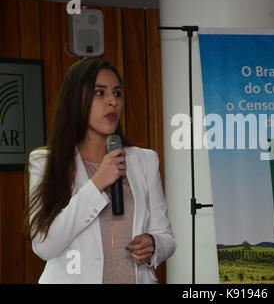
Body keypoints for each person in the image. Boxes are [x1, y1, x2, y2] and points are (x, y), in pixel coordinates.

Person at [24, 57, 176, 284]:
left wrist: (154, 245)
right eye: (99, 93)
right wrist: (97, 183)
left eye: (117, 93)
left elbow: (167, 238)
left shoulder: (145, 160)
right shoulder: (46, 162)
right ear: (75, 100)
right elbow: (44, 246)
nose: (112, 102)